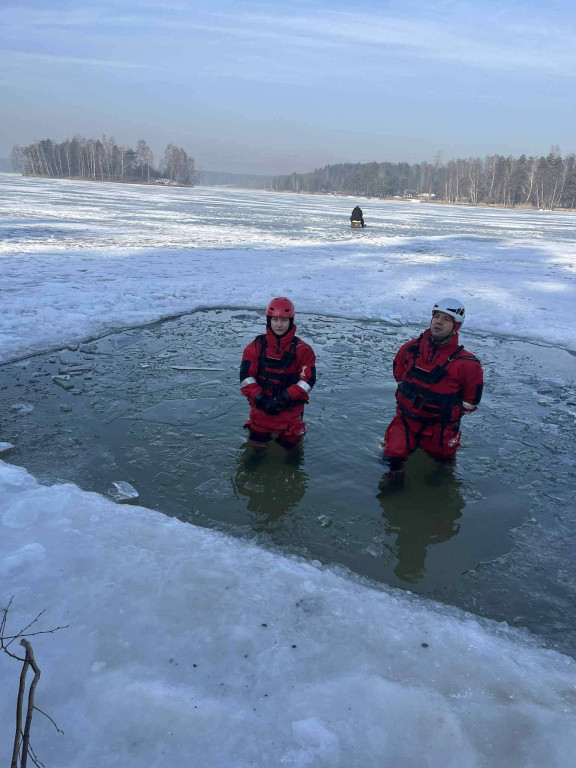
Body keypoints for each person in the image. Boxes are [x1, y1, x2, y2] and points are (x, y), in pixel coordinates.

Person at [381, 298, 483, 484]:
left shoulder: (468, 364)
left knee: (442, 469)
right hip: (405, 420)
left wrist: (447, 414)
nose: (438, 321)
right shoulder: (410, 349)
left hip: (441, 427)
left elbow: (471, 401)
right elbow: (399, 374)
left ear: (456, 326)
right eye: (436, 316)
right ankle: (395, 483)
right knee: (391, 458)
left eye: (446, 319)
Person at [240, 297, 316, 449]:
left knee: (292, 455)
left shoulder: (303, 349)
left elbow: (307, 380)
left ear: (291, 321)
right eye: (275, 320)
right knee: (254, 453)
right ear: (269, 320)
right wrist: (260, 398)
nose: (279, 325)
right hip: (261, 410)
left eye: (284, 320)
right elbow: (246, 377)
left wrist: (284, 398)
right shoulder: (255, 346)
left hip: (289, 412)